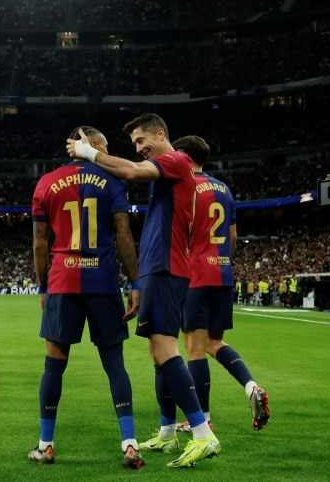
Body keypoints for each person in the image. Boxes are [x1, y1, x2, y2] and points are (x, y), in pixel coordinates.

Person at [67, 113, 220, 469]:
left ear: (161, 133)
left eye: (141, 141)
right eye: (134, 144)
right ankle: (168, 432)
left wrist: (90, 154)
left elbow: (132, 171)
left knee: (166, 351)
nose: (138, 149)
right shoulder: (167, 169)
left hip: (166, 268)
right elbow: (131, 171)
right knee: (157, 352)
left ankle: (202, 433)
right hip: (158, 268)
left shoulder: (176, 160)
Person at [29, 126, 144, 469]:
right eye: (104, 147)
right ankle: (130, 443)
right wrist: (135, 283)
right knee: (115, 367)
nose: (108, 154)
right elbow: (123, 233)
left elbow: (39, 242)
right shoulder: (113, 181)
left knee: (54, 365)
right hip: (104, 282)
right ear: (91, 145)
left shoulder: (46, 183)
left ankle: (46, 445)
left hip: (63, 281)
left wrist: (42, 286)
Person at [170, 135, 270, 434]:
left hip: (195, 274)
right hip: (222, 273)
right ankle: (251, 385)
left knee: (194, 348)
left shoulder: (184, 187)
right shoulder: (223, 188)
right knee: (214, 342)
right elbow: (234, 238)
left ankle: (202, 418)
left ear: (183, 157)